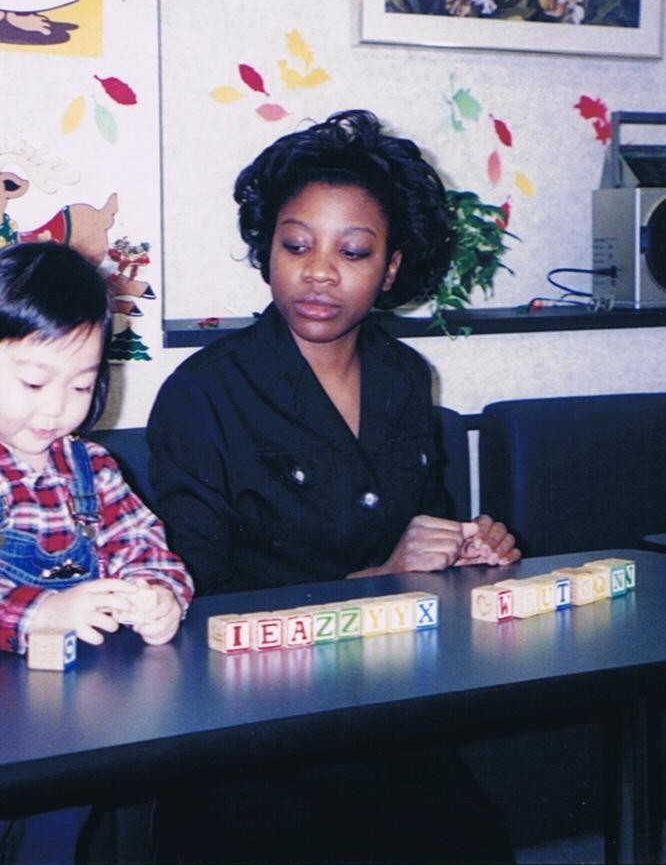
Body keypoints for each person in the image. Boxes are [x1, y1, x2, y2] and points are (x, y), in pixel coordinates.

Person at [146, 109, 520, 864]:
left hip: (389, 712)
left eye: (352, 251)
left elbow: (428, 535)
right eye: (295, 245)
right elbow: (195, 609)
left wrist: (471, 549)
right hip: (255, 737)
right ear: (266, 252)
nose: (319, 271)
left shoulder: (407, 378)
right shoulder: (204, 395)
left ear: (388, 269)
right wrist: (378, 581)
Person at [0, 240, 192, 655]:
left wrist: (158, 594)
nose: (56, 407)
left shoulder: (94, 468)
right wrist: (41, 613)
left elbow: (143, 548)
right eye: (33, 382)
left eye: (81, 385)